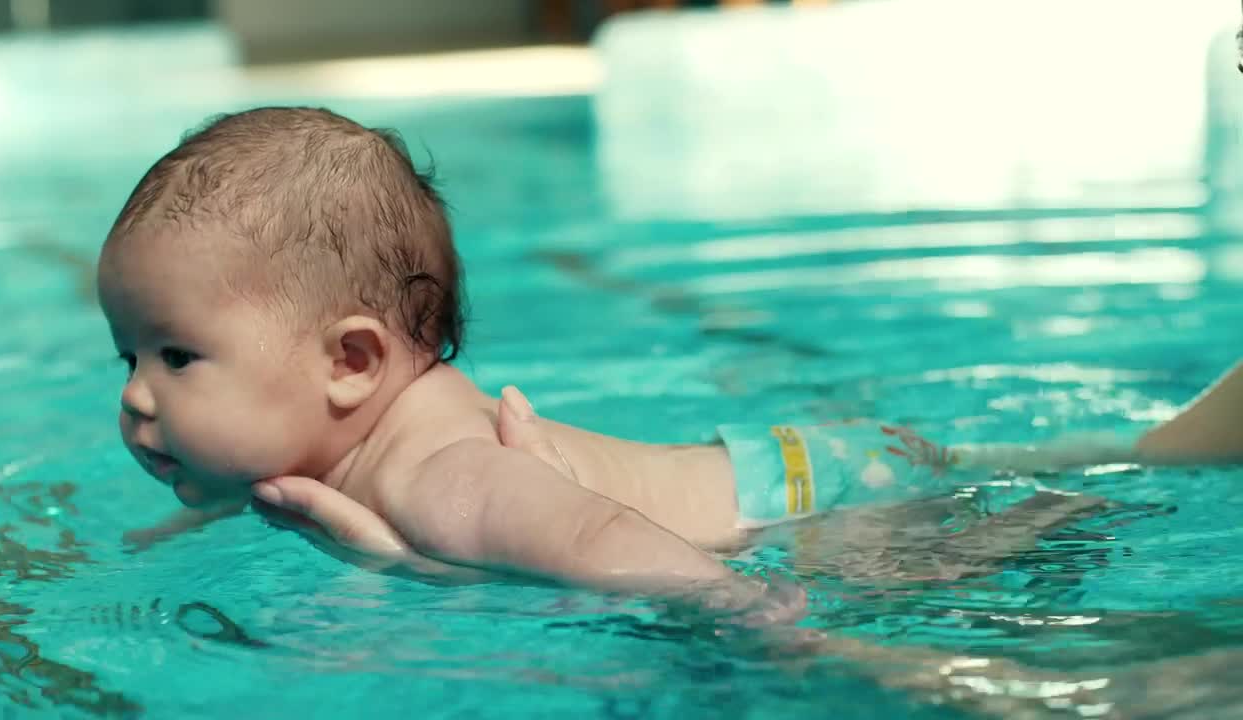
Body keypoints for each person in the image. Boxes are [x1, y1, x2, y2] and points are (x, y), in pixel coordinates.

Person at [101, 105, 1243, 616]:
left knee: (1051, 523)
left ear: (350, 361)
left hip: (821, 509)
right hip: (790, 461)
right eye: (128, 356)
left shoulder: (440, 475)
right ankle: (1159, 446)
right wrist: (179, 514)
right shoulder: (346, 431)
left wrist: (739, 609)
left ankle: (1156, 460)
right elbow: (259, 482)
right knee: (1092, 461)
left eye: (176, 356)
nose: (138, 398)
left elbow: (601, 543)